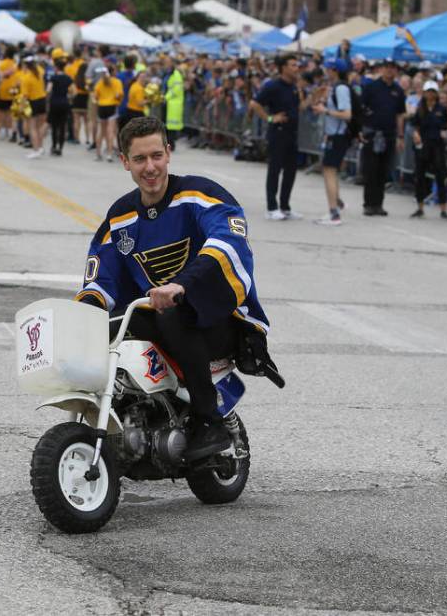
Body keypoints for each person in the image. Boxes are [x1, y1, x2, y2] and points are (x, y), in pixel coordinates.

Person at [74, 116, 275, 461]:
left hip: (220, 320)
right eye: (139, 159)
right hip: (162, 315)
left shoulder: (200, 195)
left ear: (168, 153)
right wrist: (81, 312)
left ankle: (208, 420)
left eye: (156, 156)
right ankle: (132, 415)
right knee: (113, 324)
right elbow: (101, 277)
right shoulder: (121, 216)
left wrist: (181, 285)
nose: (149, 167)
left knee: (172, 316)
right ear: (125, 161)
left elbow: (227, 241)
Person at [249, 54, 310, 220]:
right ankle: (272, 207)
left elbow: (298, 108)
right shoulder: (273, 86)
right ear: (283, 67)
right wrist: (270, 118)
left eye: (297, 65)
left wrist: (313, 97)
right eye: (293, 65)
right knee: (275, 170)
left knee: (290, 171)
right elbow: (254, 104)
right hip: (278, 133)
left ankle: (285, 206)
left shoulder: (294, 87)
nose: (296, 68)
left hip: (292, 133)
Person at [359, 59, 406, 216]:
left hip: (389, 135)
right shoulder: (371, 87)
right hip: (372, 133)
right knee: (371, 169)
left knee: (383, 170)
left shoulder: (398, 91)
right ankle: (368, 203)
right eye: (387, 68)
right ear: (382, 69)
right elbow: (361, 108)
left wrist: (400, 136)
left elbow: (400, 115)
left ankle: (378, 204)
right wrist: (361, 129)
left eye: (393, 68)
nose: (389, 71)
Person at [311, 58, 351, 226]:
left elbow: (347, 114)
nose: (326, 71)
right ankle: (336, 205)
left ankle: (334, 212)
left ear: (334, 70)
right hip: (333, 135)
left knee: (329, 171)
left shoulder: (341, 88)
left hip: (338, 135)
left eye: (328, 69)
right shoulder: (334, 88)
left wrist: (325, 110)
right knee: (330, 171)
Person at [409, 80, 447, 220]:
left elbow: (445, 126)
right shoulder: (420, 108)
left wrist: (445, 132)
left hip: (437, 145)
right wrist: (415, 134)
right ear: (425, 93)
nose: (431, 94)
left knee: (440, 176)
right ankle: (420, 207)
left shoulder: (442, 109)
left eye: (433, 91)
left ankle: (443, 209)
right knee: (420, 176)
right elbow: (414, 125)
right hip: (423, 145)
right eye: (429, 91)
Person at [93, 64, 123, 162]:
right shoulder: (117, 82)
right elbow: (119, 95)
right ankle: (109, 154)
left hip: (102, 106)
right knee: (110, 131)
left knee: (101, 131)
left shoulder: (100, 82)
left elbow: (95, 96)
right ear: (113, 71)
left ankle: (98, 153)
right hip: (111, 106)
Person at [20, 55, 47, 159]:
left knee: (32, 127)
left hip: (33, 102)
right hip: (42, 100)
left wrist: (21, 107)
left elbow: (25, 96)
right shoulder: (40, 72)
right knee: (40, 126)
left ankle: (35, 150)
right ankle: (40, 147)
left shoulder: (26, 78)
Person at [46, 58, 73, 156]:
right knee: (62, 126)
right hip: (64, 103)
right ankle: (60, 148)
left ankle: (53, 146)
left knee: (54, 126)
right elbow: (74, 91)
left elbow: (48, 90)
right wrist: (69, 97)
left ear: (56, 67)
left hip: (54, 103)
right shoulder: (68, 78)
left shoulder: (53, 78)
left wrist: (48, 101)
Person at [162, 54, 184, 150]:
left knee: (171, 126)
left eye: (167, 62)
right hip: (167, 102)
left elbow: (176, 89)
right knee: (166, 124)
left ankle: (171, 144)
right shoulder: (167, 73)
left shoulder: (176, 75)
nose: (165, 63)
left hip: (173, 103)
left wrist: (165, 97)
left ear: (171, 63)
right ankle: (167, 143)